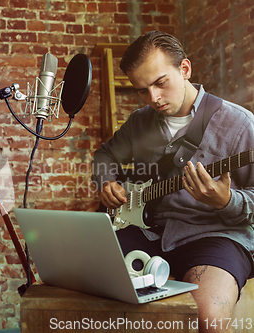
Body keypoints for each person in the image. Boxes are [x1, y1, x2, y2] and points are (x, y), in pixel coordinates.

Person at [91, 31, 254, 333]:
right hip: (148, 232)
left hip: (215, 234)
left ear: (185, 69)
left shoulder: (240, 124)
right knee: (85, 289)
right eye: (142, 90)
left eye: (160, 83)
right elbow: (105, 156)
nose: (153, 98)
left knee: (209, 321)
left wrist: (227, 201)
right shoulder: (140, 122)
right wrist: (106, 181)